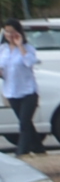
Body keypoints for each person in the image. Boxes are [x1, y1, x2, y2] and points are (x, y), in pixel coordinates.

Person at [1, 22, 40, 155]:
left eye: (12, 31)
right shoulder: (3, 49)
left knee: (24, 123)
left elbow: (29, 62)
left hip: (28, 91)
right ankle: (39, 149)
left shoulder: (28, 48)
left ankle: (22, 152)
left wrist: (20, 45)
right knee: (26, 123)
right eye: (6, 31)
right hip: (11, 92)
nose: (9, 35)